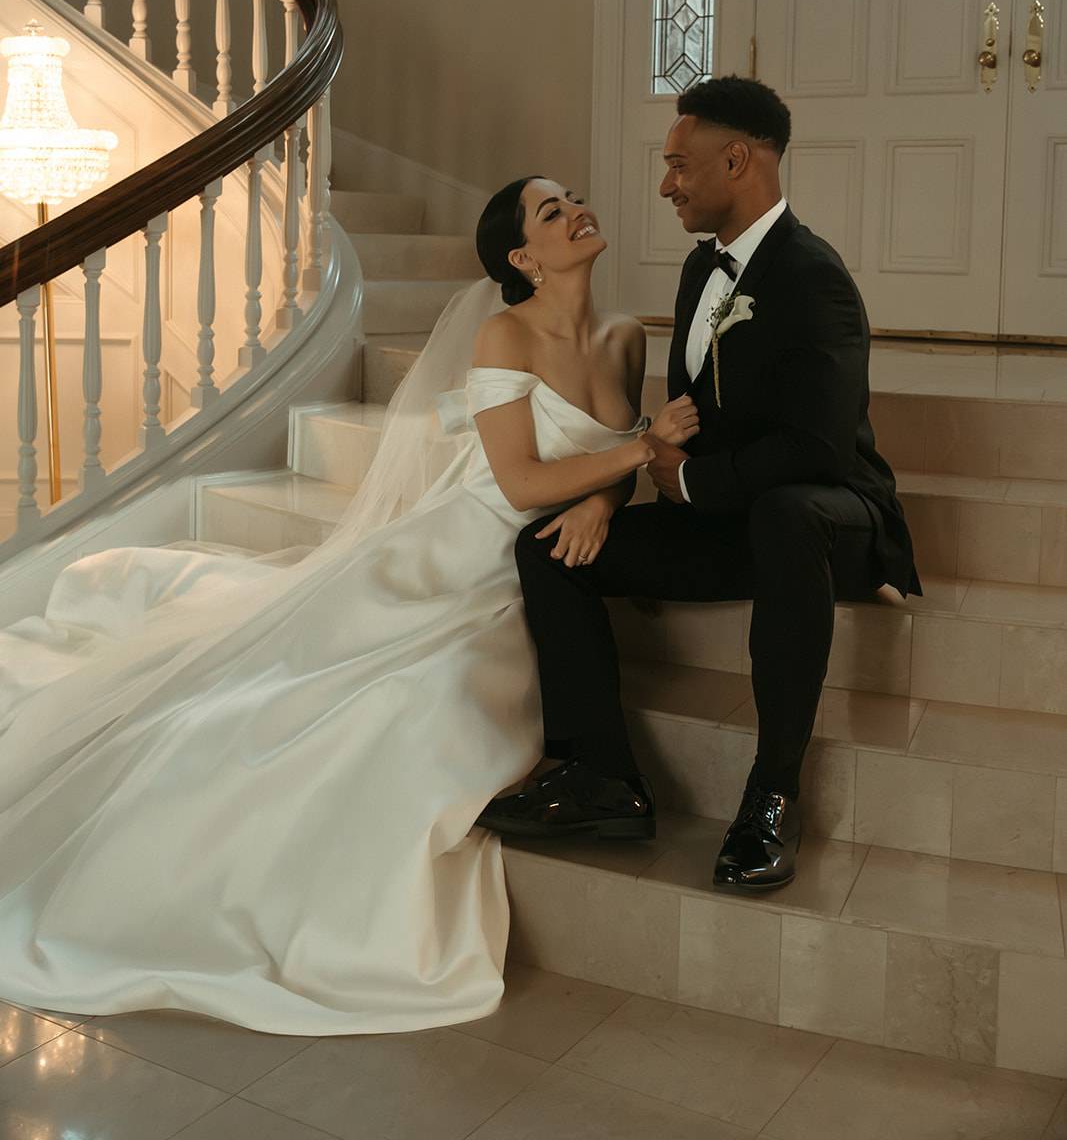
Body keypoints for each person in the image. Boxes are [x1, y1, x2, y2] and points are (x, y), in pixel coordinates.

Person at [0, 174, 672, 1035]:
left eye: (576, 196)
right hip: (469, 543)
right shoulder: (503, 336)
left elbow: (606, 464)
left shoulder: (625, 336)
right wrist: (633, 458)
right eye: (551, 211)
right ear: (521, 257)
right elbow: (520, 480)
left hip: (543, 557)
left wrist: (603, 503)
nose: (578, 208)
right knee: (354, 694)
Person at [478, 76, 922, 892]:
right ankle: (604, 776)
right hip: (728, 518)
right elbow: (686, 417)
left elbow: (819, 448)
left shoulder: (815, 279)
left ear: (737, 160)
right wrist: (621, 493)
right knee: (546, 550)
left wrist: (690, 483)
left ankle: (771, 797)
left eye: (679, 165)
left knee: (790, 515)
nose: (664, 185)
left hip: (830, 516)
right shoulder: (698, 272)